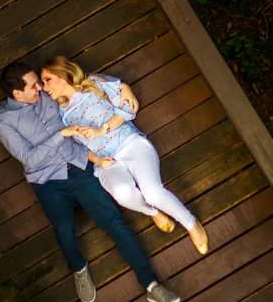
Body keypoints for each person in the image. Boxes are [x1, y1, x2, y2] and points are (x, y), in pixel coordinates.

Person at [0, 62, 181, 302]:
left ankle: (152, 285)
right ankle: (78, 268)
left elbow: (79, 79)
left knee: (113, 221)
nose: (41, 87)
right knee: (63, 228)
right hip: (48, 180)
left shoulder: (49, 94)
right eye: (34, 85)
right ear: (17, 94)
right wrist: (62, 134)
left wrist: (122, 86)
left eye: (40, 81)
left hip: (81, 166)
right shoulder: (5, 120)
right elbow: (29, 158)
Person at [38, 56, 209, 258]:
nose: (44, 86)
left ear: (62, 73)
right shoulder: (60, 115)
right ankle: (153, 212)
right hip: (105, 162)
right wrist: (99, 161)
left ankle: (191, 223)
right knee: (122, 194)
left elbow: (128, 107)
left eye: (47, 79)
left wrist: (102, 129)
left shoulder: (93, 83)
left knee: (153, 192)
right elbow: (75, 150)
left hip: (130, 144)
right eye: (42, 82)